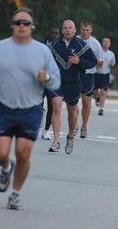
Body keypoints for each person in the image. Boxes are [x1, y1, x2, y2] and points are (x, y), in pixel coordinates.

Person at [0, 7, 60, 210]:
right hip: (3, 109)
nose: (22, 26)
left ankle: (15, 193)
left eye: (26, 23)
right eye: (18, 22)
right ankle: (6, 167)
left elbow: (56, 82)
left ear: (32, 27)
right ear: (13, 25)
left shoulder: (42, 51)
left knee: (23, 153)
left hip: (31, 110)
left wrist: (46, 77)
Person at [47, 20, 96, 154]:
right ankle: (56, 141)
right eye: (65, 28)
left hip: (74, 83)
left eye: (70, 28)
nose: (67, 30)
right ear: (62, 30)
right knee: (56, 107)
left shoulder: (82, 46)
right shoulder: (54, 45)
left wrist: (80, 61)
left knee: (72, 111)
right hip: (58, 82)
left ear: (75, 31)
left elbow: (92, 62)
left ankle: (70, 137)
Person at [78, 20, 104, 138]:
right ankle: (74, 124)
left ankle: (84, 126)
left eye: (87, 30)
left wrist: (89, 60)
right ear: (80, 29)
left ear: (91, 30)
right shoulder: (75, 40)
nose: (85, 32)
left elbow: (100, 64)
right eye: (83, 29)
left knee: (86, 102)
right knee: (72, 103)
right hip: (75, 74)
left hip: (89, 75)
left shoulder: (96, 44)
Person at [39, 27, 60, 140]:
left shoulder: (61, 47)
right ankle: (40, 112)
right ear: (48, 33)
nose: (53, 35)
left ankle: (46, 131)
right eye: (52, 33)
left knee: (52, 106)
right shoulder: (41, 45)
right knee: (39, 103)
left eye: (56, 33)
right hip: (41, 79)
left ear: (58, 35)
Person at [94, 37, 115, 116]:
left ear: (109, 44)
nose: (106, 43)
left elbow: (113, 63)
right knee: (95, 92)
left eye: (107, 42)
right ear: (102, 43)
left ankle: (101, 109)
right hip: (96, 73)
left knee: (103, 92)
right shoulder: (98, 52)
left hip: (105, 75)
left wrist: (112, 65)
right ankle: (96, 98)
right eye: (104, 41)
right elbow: (93, 61)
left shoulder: (111, 54)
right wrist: (97, 64)